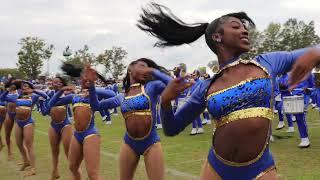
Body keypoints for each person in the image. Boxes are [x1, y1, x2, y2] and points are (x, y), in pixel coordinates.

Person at [137, 3, 320, 179]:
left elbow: (312, 51)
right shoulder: (206, 87)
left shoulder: (267, 63)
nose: (244, 30)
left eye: (245, 28)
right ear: (218, 37)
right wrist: (166, 102)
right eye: (236, 27)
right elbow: (171, 128)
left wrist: (314, 53)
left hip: (260, 170)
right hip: (216, 169)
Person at [88, 58, 171, 180]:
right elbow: (96, 106)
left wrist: (153, 70)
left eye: (147, 68)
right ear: (130, 70)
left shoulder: (152, 87)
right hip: (129, 144)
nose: (145, 70)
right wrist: (91, 86)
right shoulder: (122, 96)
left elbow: (173, 84)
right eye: (142, 66)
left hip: (151, 143)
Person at [1, 81, 48, 176]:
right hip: (18, 123)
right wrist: (7, 90)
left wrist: (34, 90)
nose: (24, 88)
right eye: (23, 87)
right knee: (19, 144)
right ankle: (26, 161)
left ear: (30, 87)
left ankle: (33, 168)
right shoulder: (16, 97)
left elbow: (45, 96)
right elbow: (2, 98)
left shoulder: (34, 96)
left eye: (26, 86)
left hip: (28, 123)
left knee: (29, 145)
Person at [41, 77, 73, 179]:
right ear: (52, 84)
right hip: (53, 125)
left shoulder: (67, 95)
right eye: (55, 82)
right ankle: (54, 171)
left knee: (68, 151)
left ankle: (74, 173)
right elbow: (45, 112)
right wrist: (41, 102)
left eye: (59, 82)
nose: (57, 83)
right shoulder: (48, 95)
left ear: (62, 84)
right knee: (54, 151)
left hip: (65, 125)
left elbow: (69, 98)